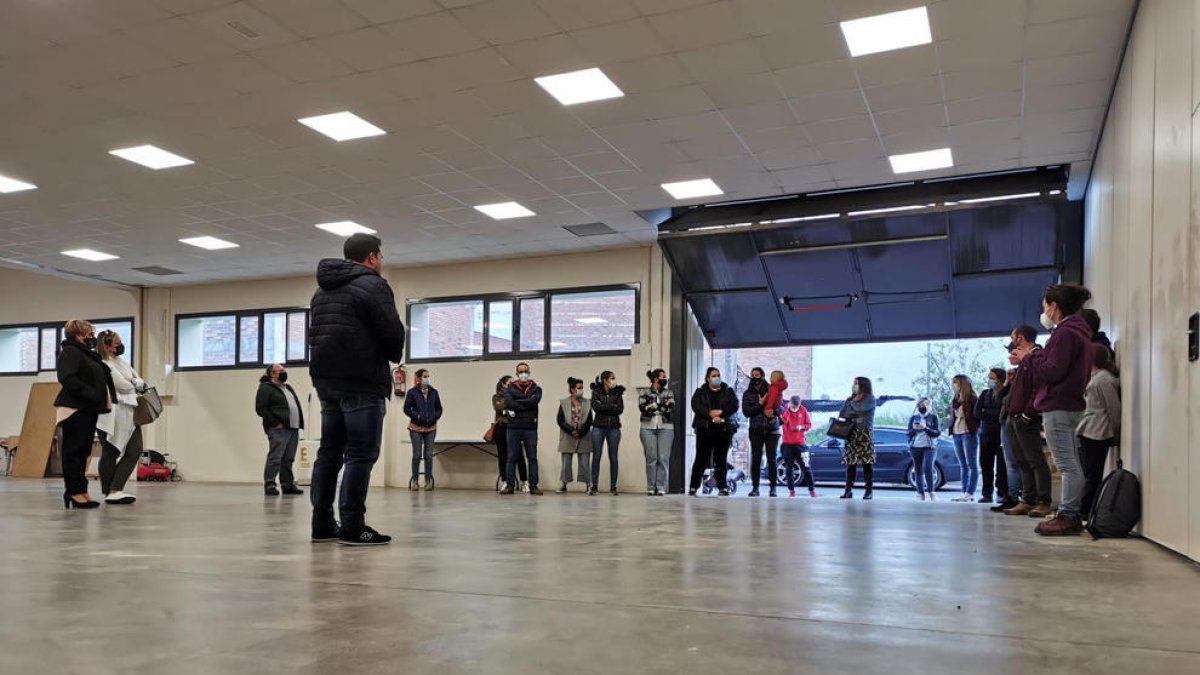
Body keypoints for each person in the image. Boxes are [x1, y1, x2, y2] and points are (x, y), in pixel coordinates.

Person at [308, 233, 405, 546]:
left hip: (326, 382)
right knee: (361, 455)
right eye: (381, 256)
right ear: (373, 257)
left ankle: (322, 524)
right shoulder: (374, 284)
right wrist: (393, 352)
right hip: (362, 381)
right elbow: (391, 332)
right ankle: (352, 525)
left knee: (329, 454)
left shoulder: (321, 290)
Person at [1011, 283, 1095, 536]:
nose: (1044, 311)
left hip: (1058, 403)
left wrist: (1029, 357)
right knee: (1072, 462)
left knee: (1067, 464)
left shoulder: (1065, 333)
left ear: (1054, 306)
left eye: (1045, 306)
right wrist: (1035, 355)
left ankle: (1068, 515)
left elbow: (1052, 370)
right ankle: (1069, 513)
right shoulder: (1079, 332)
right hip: (1068, 403)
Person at [54, 319, 115, 510]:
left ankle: (81, 491)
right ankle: (73, 492)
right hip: (75, 408)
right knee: (73, 452)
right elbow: (66, 377)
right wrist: (89, 393)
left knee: (83, 452)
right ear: (79, 335)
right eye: (89, 334)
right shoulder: (71, 352)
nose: (92, 338)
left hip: (88, 408)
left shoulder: (87, 354)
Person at [1003, 325, 1053, 518]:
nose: (1012, 342)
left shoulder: (1037, 357)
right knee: (1021, 460)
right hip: (1013, 415)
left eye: (1013, 338)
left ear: (1020, 338)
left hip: (1025, 417)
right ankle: (1028, 498)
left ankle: (1043, 501)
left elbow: (1038, 387)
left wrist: (1028, 412)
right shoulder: (1024, 361)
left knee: (1035, 460)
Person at [95, 330, 145, 505]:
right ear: (107, 346)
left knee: (135, 450)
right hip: (112, 413)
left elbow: (140, 381)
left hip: (131, 411)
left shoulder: (122, 362)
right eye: (117, 343)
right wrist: (134, 382)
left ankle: (115, 489)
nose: (121, 346)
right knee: (111, 451)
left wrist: (134, 382)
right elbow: (123, 385)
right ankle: (110, 491)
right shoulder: (103, 363)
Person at [1077, 347, 1121, 517]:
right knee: (1089, 472)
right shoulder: (1095, 378)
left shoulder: (1103, 380)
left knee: (1093, 473)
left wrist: (1115, 433)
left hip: (1097, 431)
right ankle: (1085, 507)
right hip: (1089, 429)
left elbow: (1113, 408)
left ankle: (1086, 509)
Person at [255, 363, 305, 497]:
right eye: (281, 370)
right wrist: (275, 423)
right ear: (272, 374)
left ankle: (287, 485)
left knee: (288, 458)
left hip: (293, 428)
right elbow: (261, 408)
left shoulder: (287, 387)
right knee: (275, 457)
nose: (284, 372)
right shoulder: (266, 388)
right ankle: (270, 484)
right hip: (279, 429)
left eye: (284, 370)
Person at [689, 367, 738, 496]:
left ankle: (722, 487)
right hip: (705, 428)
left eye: (718, 375)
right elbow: (696, 406)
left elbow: (734, 405)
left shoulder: (728, 390)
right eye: (713, 375)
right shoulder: (700, 392)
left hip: (724, 429)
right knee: (701, 458)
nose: (717, 377)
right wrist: (711, 415)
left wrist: (721, 413)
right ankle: (694, 486)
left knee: (721, 459)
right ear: (708, 378)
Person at [502, 362, 543, 495]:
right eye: (520, 371)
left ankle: (534, 486)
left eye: (525, 371)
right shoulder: (510, 389)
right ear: (516, 374)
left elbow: (534, 401)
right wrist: (526, 402)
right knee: (511, 457)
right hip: (513, 428)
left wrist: (518, 402)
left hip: (530, 428)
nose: (523, 374)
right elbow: (509, 403)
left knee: (532, 458)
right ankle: (510, 485)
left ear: (529, 372)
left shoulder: (536, 388)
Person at [743, 367, 784, 497]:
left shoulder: (772, 389)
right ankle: (755, 488)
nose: (755, 377)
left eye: (758, 375)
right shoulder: (748, 394)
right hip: (755, 430)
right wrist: (760, 404)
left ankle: (773, 488)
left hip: (772, 429)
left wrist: (774, 411)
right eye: (753, 375)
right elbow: (746, 412)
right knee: (756, 458)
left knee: (772, 459)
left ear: (762, 376)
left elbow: (782, 408)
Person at [403, 368, 442, 491]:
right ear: (419, 378)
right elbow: (406, 408)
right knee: (417, 455)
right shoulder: (412, 392)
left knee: (428, 455)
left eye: (428, 376)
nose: (427, 378)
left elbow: (439, 409)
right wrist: (417, 416)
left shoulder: (434, 392)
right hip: (415, 428)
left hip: (431, 428)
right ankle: (415, 481)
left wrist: (433, 417)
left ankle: (428, 481)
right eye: (425, 376)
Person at [638, 368, 675, 496]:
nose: (665, 379)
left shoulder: (669, 392)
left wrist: (653, 407)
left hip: (666, 427)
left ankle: (661, 487)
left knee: (663, 458)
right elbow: (642, 408)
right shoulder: (644, 392)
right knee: (651, 458)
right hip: (647, 428)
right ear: (655, 379)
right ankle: (650, 487)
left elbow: (670, 407)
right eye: (662, 377)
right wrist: (660, 407)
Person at [974, 368, 1008, 505]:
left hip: (1001, 434)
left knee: (1002, 466)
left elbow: (1004, 412)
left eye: (992, 378)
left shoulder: (1006, 393)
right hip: (986, 434)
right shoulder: (985, 393)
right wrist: (991, 416)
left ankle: (1002, 493)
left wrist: (991, 415)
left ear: (1000, 379)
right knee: (985, 465)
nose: (990, 380)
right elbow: (977, 411)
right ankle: (986, 494)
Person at [839, 376, 877, 500]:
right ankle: (848, 491)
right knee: (851, 464)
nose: (853, 386)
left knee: (867, 464)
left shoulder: (870, 399)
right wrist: (855, 413)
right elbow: (843, 413)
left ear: (863, 385)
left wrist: (853, 406)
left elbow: (861, 409)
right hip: (851, 433)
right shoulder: (849, 399)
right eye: (853, 383)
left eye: (856, 383)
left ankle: (868, 491)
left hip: (864, 433)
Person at [992, 368, 1023, 512]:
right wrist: (1007, 383)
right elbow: (999, 401)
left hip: (1018, 422)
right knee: (1010, 462)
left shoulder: (1023, 384)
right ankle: (1011, 497)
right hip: (1006, 422)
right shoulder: (1008, 386)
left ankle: (1018, 497)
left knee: (1017, 463)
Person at [589, 370, 624, 496]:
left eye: (614, 378)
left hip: (614, 428)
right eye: (612, 378)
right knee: (596, 456)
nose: (614, 380)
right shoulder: (596, 392)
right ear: (605, 380)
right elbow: (595, 407)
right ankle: (594, 486)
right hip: (599, 427)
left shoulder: (618, 392)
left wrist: (605, 406)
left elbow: (620, 409)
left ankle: (613, 486)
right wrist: (611, 406)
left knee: (613, 457)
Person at [556, 377, 593, 493]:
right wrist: (571, 430)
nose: (581, 390)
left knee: (585, 462)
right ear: (572, 390)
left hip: (584, 435)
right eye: (579, 388)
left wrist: (581, 431)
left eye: (582, 388)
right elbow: (560, 420)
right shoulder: (564, 403)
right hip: (567, 436)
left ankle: (588, 484)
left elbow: (589, 420)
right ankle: (564, 484)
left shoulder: (588, 403)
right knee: (566, 463)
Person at [492, 375, 528, 490]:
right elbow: (499, 408)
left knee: (518, 455)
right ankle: (506, 481)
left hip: (514, 427)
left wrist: (508, 410)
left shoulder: (518, 395)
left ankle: (524, 481)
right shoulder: (496, 397)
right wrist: (509, 410)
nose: (512, 385)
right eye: (509, 383)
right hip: (501, 428)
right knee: (503, 456)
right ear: (503, 384)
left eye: (514, 383)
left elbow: (520, 408)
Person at [949, 374, 980, 502]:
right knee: (962, 464)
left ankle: (970, 492)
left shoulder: (972, 399)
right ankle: (964, 492)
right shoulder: (955, 399)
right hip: (956, 432)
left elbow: (976, 417)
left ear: (962, 384)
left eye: (955, 383)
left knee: (971, 463)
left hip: (968, 432)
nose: (953, 385)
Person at [780, 395, 815, 498]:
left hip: (800, 444)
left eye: (796, 407)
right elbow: (782, 421)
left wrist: (802, 427)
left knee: (806, 467)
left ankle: (812, 490)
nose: (795, 408)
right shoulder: (785, 410)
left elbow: (809, 425)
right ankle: (791, 490)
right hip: (787, 444)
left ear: (799, 404)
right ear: (790, 403)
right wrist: (788, 410)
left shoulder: (803, 410)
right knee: (789, 469)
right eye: (793, 406)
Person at [906, 398, 940, 501]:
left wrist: (925, 428)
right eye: (919, 405)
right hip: (915, 447)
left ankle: (931, 492)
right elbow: (908, 433)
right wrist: (915, 429)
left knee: (928, 467)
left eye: (924, 405)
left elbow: (937, 433)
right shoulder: (913, 418)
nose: (922, 407)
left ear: (928, 405)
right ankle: (920, 493)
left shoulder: (933, 417)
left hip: (930, 447)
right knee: (918, 469)